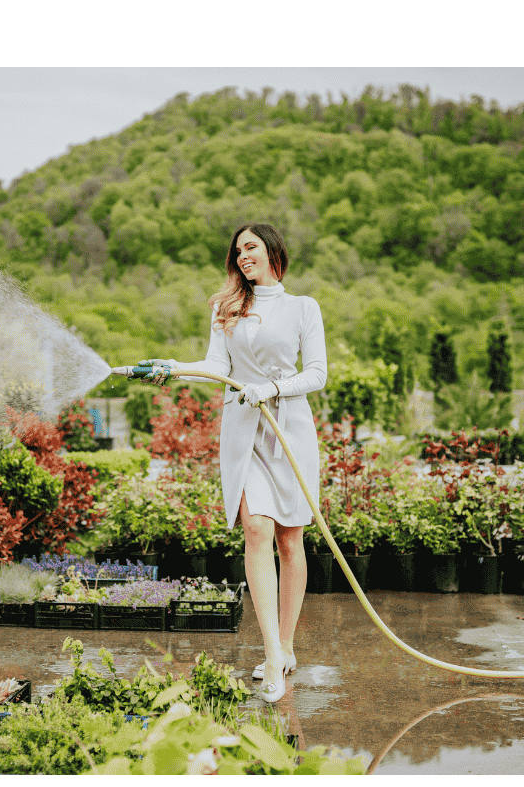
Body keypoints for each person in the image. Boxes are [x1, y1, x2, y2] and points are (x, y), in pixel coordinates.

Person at [136, 222, 326, 703]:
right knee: (257, 530)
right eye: (237, 250)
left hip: (289, 431)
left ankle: (285, 645)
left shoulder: (304, 308)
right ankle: (270, 655)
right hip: (245, 433)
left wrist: (273, 388)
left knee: (290, 539)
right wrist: (173, 367)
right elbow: (217, 367)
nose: (242, 256)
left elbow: (318, 374)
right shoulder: (226, 308)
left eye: (251, 247)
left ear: (272, 252)